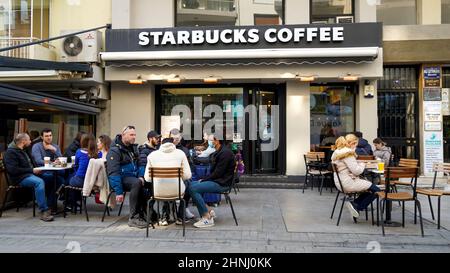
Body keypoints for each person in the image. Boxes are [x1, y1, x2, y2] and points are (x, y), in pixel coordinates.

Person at [188, 135, 236, 228]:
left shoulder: (225, 153)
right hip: (218, 181)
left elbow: (218, 173)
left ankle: (207, 218)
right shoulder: (220, 151)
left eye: (210, 140)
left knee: (193, 188)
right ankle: (209, 211)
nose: (208, 142)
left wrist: (204, 179)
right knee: (191, 185)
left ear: (217, 141)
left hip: (222, 183)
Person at [4, 133, 53, 222]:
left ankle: (50, 204)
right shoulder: (10, 152)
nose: (31, 141)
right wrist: (32, 170)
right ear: (23, 141)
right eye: (29, 140)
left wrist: (38, 169)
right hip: (19, 178)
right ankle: (44, 210)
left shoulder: (24, 149)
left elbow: (32, 163)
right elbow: (13, 170)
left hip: (30, 174)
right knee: (39, 182)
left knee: (52, 177)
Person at [145, 137, 193, 225]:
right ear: (173, 144)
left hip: (158, 193)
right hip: (177, 192)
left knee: (162, 184)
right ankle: (180, 216)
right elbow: (187, 175)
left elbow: (147, 178)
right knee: (188, 183)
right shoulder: (181, 153)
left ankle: (163, 218)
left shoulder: (152, 155)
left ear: (161, 144)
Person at [331, 134, 380, 219]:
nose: (356, 148)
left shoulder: (338, 152)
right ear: (352, 144)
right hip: (348, 183)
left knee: (369, 190)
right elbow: (357, 171)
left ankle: (354, 204)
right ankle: (357, 207)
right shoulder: (348, 154)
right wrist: (363, 164)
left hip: (341, 182)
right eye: (356, 145)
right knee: (376, 190)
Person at [106, 126, 147, 228]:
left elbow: (141, 164)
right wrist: (119, 192)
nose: (134, 137)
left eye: (135, 135)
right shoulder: (114, 150)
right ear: (123, 135)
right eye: (131, 135)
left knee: (148, 182)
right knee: (136, 183)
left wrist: (141, 176)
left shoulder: (133, 148)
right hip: (121, 179)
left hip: (133, 177)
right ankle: (133, 217)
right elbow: (113, 172)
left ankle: (146, 213)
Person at [31, 128, 66, 210]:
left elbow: (61, 160)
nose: (49, 138)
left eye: (50, 135)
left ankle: (50, 204)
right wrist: (52, 163)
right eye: (46, 136)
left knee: (61, 178)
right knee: (59, 180)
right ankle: (51, 204)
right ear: (42, 137)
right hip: (41, 173)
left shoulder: (55, 146)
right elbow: (38, 161)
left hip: (53, 172)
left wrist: (54, 150)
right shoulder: (37, 146)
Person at [68, 134, 100, 208]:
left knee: (68, 180)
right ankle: (77, 201)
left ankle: (72, 204)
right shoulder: (99, 153)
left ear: (82, 142)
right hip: (95, 182)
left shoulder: (79, 152)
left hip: (81, 181)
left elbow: (75, 165)